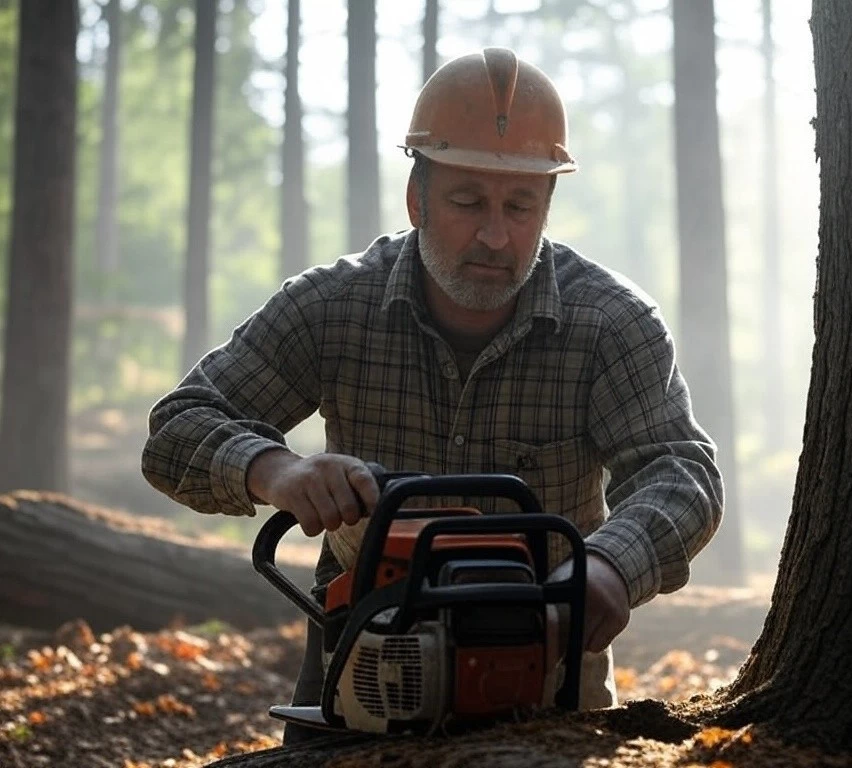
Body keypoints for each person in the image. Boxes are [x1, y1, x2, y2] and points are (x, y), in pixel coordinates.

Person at [142, 47, 723, 742]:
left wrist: (607, 567)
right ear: (417, 198)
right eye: (467, 201)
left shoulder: (610, 322)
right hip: (366, 643)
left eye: (520, 205)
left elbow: (680, 470)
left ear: (548, 205)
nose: (496, 234)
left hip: (548, 647)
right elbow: (177, 428)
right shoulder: (334, 305)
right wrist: (279, 471)